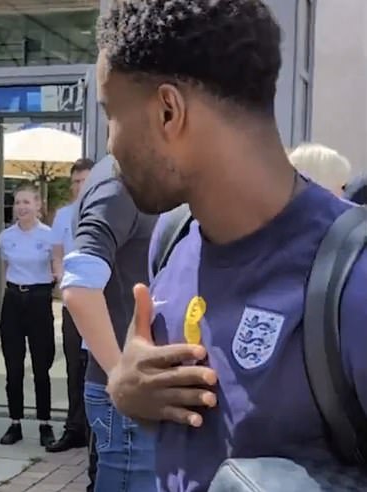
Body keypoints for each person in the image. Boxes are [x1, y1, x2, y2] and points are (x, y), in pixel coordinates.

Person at [96, 1, 367, 490]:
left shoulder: (353, 280)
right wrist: (126, 387)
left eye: (110, 114)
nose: (109, 144)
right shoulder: (172, 238)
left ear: (167, 111)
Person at [61, 155, 157, 490]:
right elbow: (79, 285)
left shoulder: (134, 178)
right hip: (130, 398)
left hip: (142, 391)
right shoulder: (120, 184)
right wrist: (122, 377)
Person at [0, 183, 57, 447]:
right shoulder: (5, 237)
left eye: (27, 202)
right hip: (13, 299)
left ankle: (45, 422)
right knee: (13, 366)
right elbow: (5, 268)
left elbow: (56, 265)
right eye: (18, 202)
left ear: (37, 205)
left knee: (41, 366)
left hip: (39, 299)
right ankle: (15, 422)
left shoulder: (49, 236)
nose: (22, 207)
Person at [46, 158, 94, 453]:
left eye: (84, 181)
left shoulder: (106, 210)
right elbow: (57, 254)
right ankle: (74, 427)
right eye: (75, 182)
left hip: (99, 301)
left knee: (96, 366)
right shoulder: (63, 215)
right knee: (74, 366)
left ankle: (94, 429)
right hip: (72, 301)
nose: (79, 187)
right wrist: (61, 278)